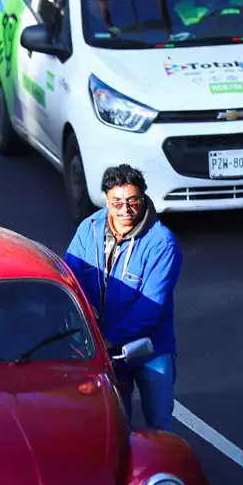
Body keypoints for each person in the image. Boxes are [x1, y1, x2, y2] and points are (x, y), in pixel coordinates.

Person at [64, 164, 183, 430]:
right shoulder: (89, 229)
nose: (125, 210)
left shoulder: (163, 243)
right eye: (117, 202)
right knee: (115, 426)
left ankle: (164, 469)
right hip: (104, 351)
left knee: (160, 425)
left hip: (151, 349)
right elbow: (70, 274)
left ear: (143, 198)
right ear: (106, 199)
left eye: (132, 201)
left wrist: (111, 339)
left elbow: (151, 306)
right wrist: (85, 312)